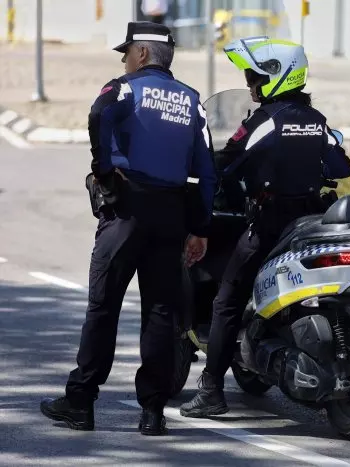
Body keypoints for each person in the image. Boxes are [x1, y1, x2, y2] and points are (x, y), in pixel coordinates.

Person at [39, 21, 217, 436]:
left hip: (128, 211)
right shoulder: (192, 101)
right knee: (160, 314)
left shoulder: (125, 88)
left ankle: (81, 401)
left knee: (103, 308)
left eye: (126, 53)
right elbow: (207, 172)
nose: (123, 60)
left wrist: (103, 171)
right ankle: (152, 412)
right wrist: (200, 227)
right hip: (171, 213)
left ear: (141, 54)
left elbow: (99, 113)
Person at [179, 36, 350, 418]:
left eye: (254, 74)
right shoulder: (317, 121)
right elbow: (341, 168)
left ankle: (211, 391)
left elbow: (225, 163)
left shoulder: (265, 122)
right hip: (311, 224)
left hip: (270, 224)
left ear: (276, 75)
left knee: (226, 299)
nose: (248, 82)